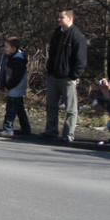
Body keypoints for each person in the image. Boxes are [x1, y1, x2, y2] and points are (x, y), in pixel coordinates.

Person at [43, 8, 87, 142]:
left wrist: (74, 76)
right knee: (51, 105)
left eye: (61, 17)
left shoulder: (77, 36)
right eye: (59, 17)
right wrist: (49, 70)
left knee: (70, 108)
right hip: (54, 76)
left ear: (70, 18)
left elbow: (81, 60)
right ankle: (51, 131)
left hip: (67, 78)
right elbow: (52, 54)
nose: (59, 20)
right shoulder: (57, 33)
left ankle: (68, 134)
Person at [0, 37, 31, 137]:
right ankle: (26, 128)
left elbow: (16, 77)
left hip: (16, 88)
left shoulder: (18, 59)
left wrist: (7, 87)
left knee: (11, 109)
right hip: (13, 88)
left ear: (14, 48)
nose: (5, 48)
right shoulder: (6, 57)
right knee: (19, 109)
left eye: (7, 47)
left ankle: (8, 128)